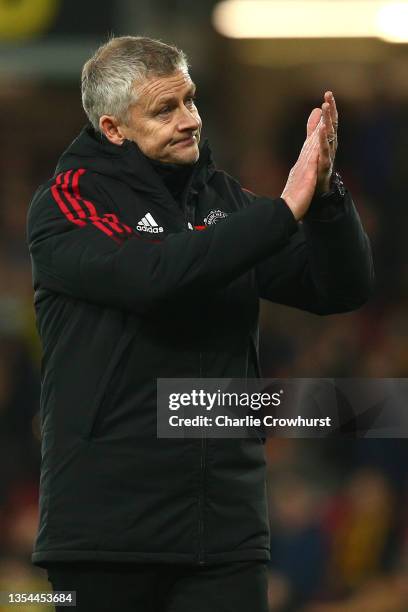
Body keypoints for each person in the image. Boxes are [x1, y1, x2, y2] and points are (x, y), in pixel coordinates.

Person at [26, 35, 374, 611]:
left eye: (189, 100)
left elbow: (337, 288)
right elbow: (156, 275)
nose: (189, 120)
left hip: (225, 536)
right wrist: (284, 209)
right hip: (106, 538)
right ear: (113, 129)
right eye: (165, 109)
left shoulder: (223, 200)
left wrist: (328, 197)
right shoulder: (69, 201)